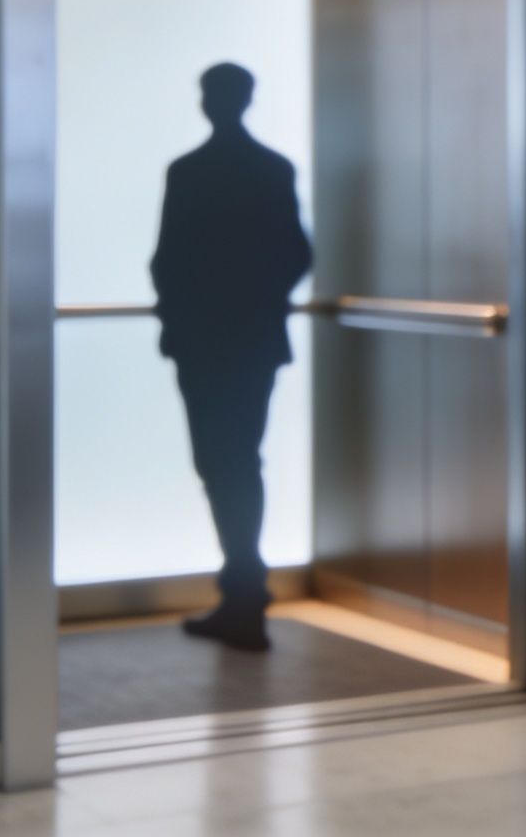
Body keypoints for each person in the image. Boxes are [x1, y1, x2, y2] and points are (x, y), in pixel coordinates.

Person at [150, 62, 312, 652]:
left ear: (209, 101)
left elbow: (168, 259)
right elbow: (297, 254)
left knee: (221, 462)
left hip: (204, 340)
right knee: (240, 459)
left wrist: (180, 317)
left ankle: (243, 590)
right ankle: (244, 588)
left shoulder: (189, 171)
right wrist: (261, 301)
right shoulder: (272, 168)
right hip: (253, 338)